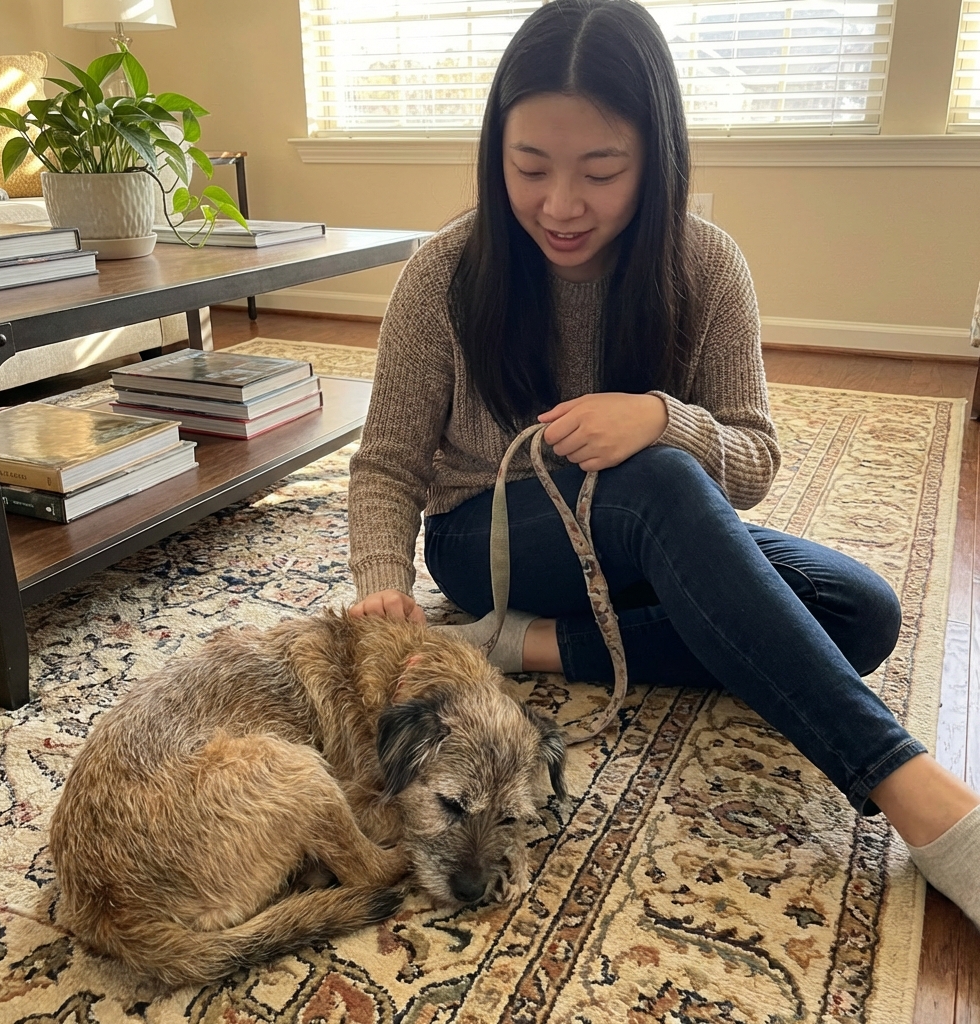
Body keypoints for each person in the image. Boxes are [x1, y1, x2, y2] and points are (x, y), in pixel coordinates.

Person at [346, 0, 979, 927]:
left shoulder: (706, 266)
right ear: (497, 156)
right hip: (485, 537)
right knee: (658, 487)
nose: (561, 205)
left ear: (657, 158)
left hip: (638, 538)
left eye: (601, 171)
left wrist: (661, 417)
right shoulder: (445, 272)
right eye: (529, 168)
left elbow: (754, 462)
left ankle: (529, 644)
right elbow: (386, 464)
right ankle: (918, 795)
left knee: (860, 613)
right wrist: (378, 581)